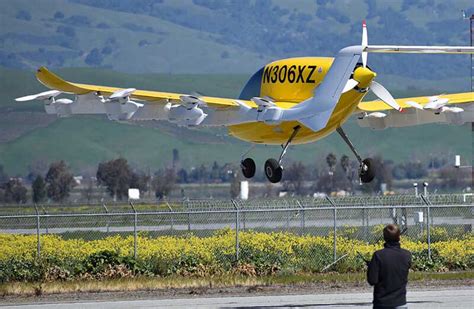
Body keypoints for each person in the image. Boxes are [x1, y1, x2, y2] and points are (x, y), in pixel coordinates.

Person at [367, 224, 412, 309]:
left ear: (384, 238)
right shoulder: (406, 255)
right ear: (399, 237)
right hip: (400, 302)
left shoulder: (378, 255)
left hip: (382, 303)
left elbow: (372, 280)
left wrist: (371, 267)